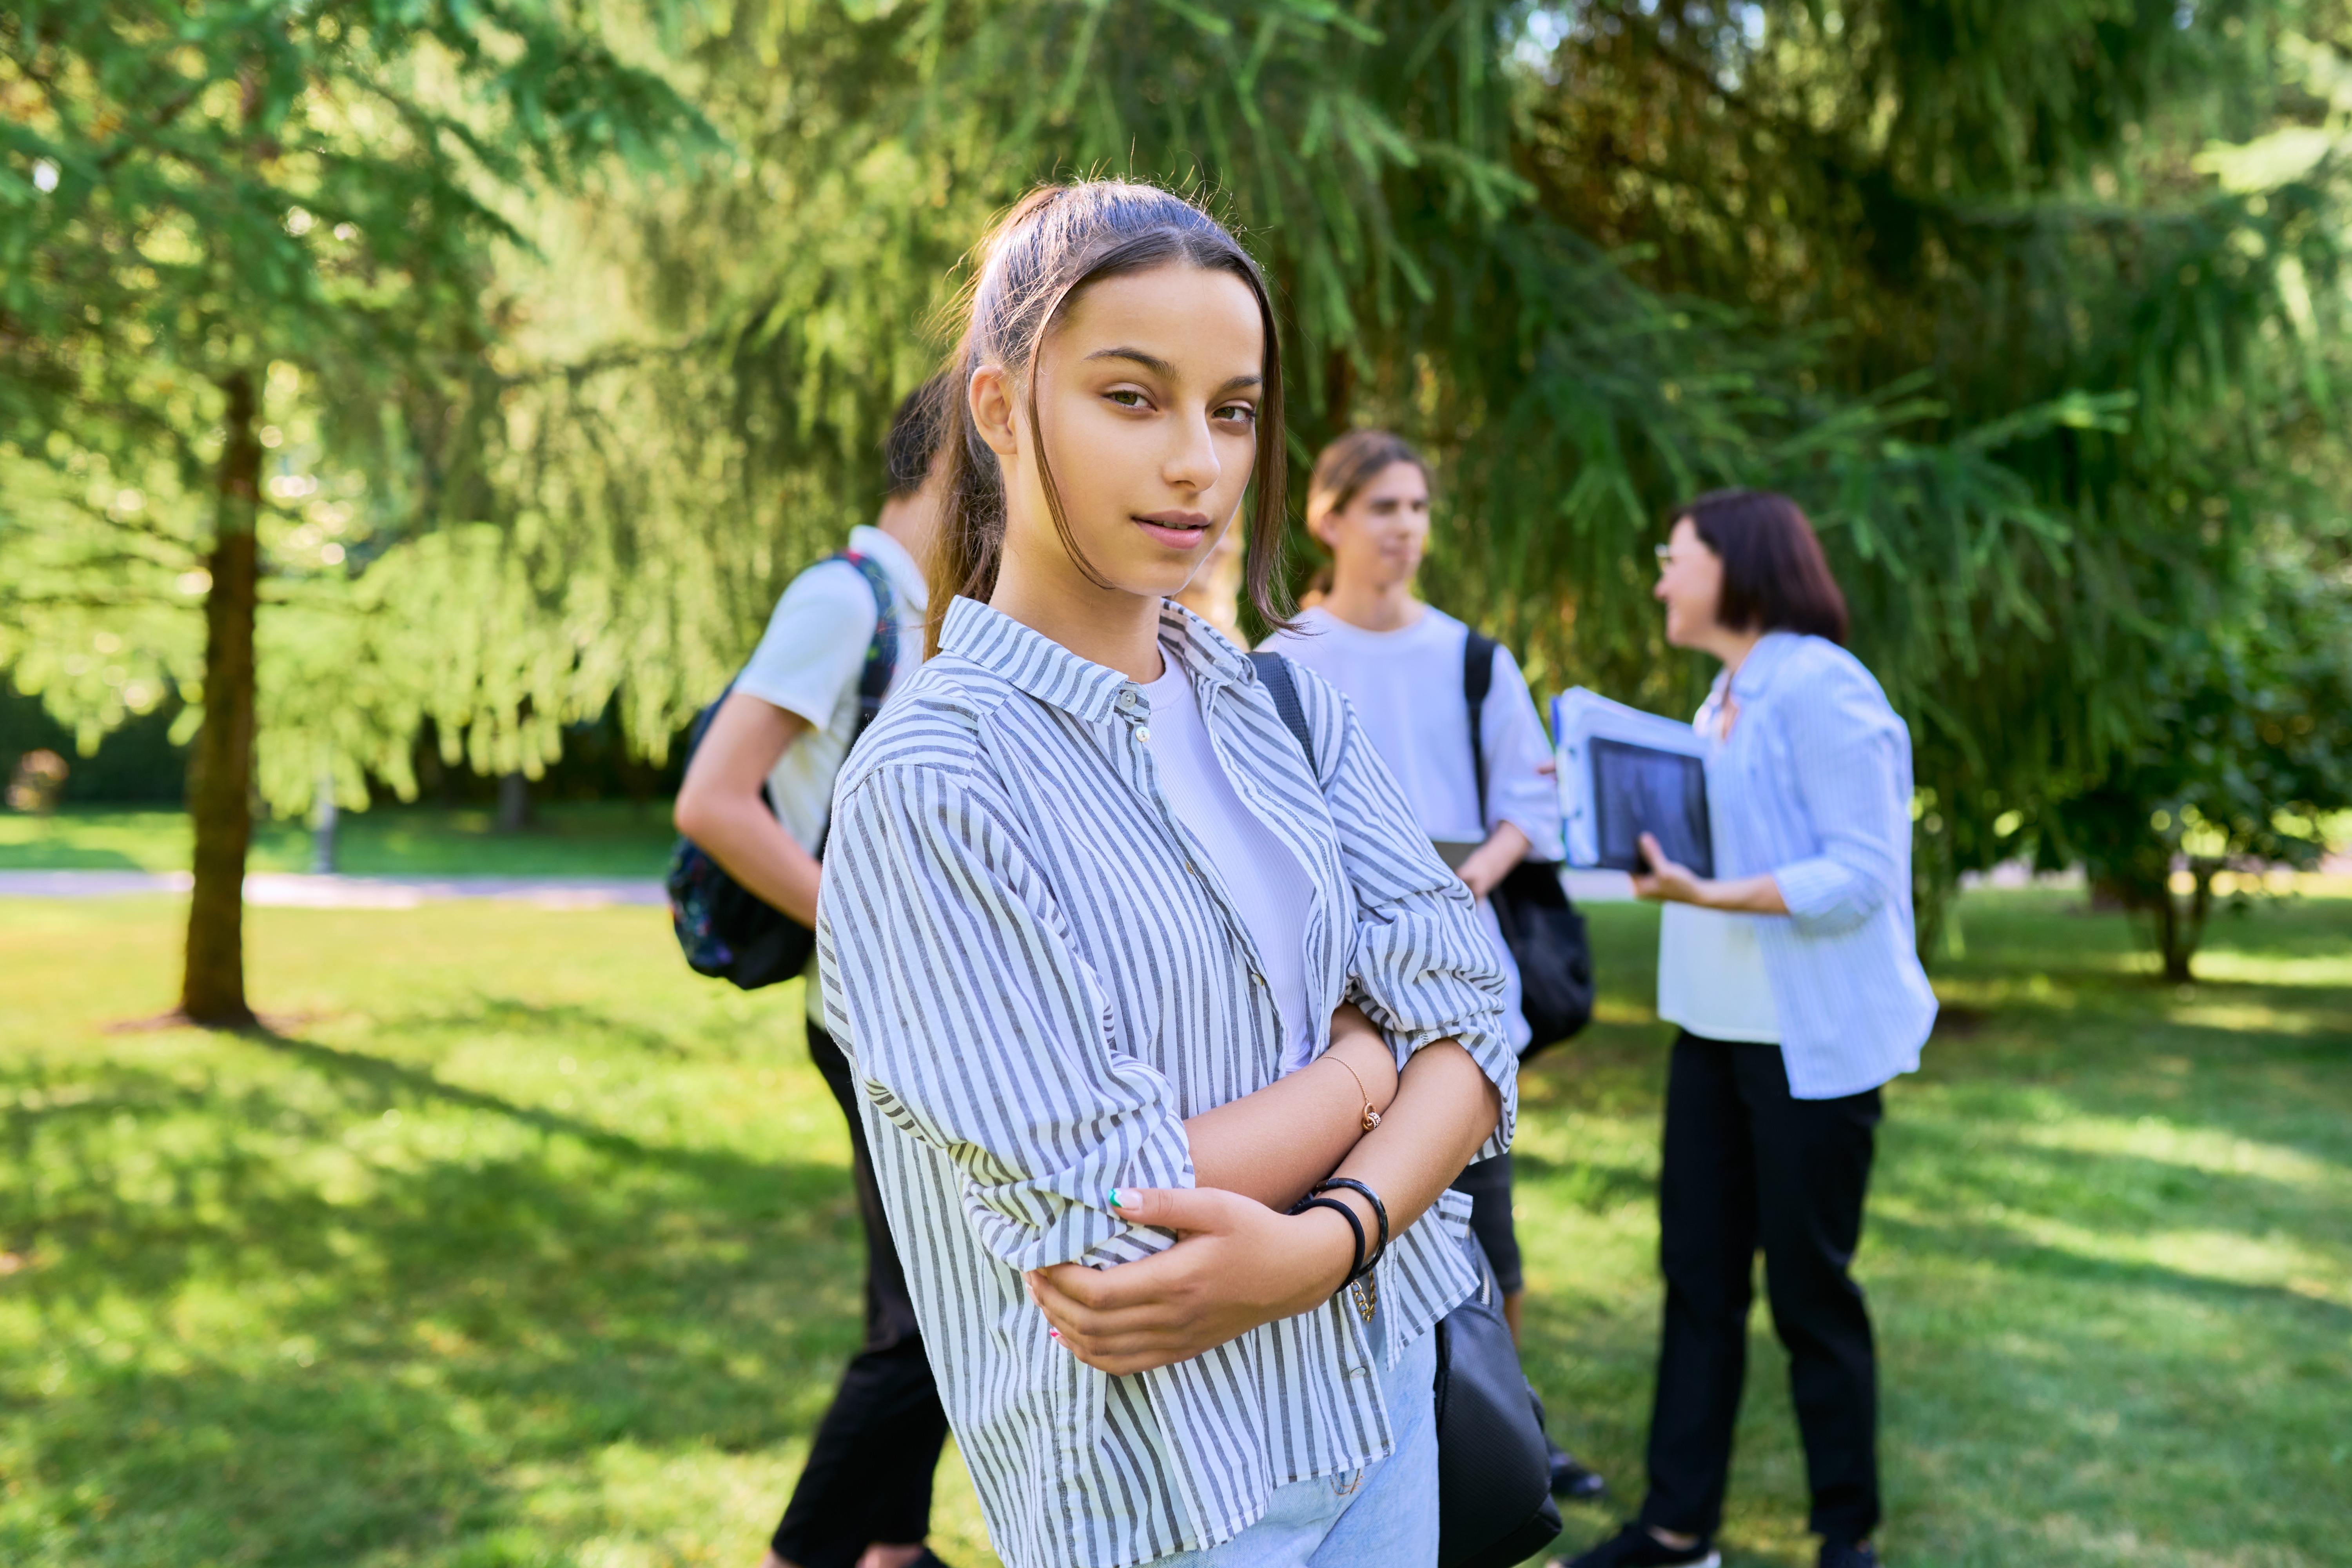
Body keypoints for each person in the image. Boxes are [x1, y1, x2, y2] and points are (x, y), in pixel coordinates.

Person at [814, 180, 1519, 1568]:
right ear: (1003, 410)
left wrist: (1326, 1244)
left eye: (1235, 409)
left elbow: (1481, 1011)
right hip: (1163, 1493)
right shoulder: (930, 787)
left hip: (1379, 1411)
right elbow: (1109, 1222)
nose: (1198, 461)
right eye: (1133, 398)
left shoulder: (1287, 705)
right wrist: (1374, 1066)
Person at [1560, 490, 1936, 1568]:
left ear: (1736, 566)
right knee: (1699, 1283)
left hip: (1807, 1049)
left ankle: (1846, 1536)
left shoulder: (1823, 686)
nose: (1661, 579)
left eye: (1675, 558)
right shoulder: (1722, 695)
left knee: (1813, 1296)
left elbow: (1860, 876)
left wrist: (1707, 893)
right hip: (1712, 1039)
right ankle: (1678, 1531)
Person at [1260, 429, 1604, 1501]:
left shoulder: (1472, 658)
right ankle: (1348, 1432)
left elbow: (1532, 806)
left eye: (1416, 507)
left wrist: (1469, 879)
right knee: (1332, 1215)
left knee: (1483, 1231)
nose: (1405, 528)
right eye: (1381, 508)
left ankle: (1508, 1432)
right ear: (1328, 519)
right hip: (1328, 1004)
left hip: (1460, 989)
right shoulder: (1283, 659)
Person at [671, 381, 956, 1568]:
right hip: (869, 1014)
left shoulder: (929, 608)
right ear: (963, 455)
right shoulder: (844, 599)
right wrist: (875, 924)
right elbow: (715, 800)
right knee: (937, 1325)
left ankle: (890, 1551)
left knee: (923, 1307)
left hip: (921, 1016)